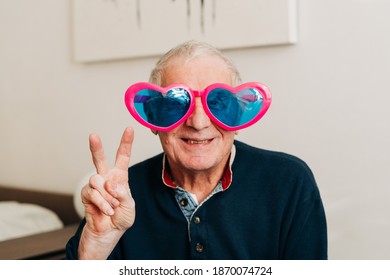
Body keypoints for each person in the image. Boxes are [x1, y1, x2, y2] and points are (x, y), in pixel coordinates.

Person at [66, 40, 327, 260]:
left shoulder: (289, 183)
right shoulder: (120, 195)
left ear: (238, 119)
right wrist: (96, 248)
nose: (199, 122)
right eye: (178, 104)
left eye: (219, 103)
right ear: (154, 120)